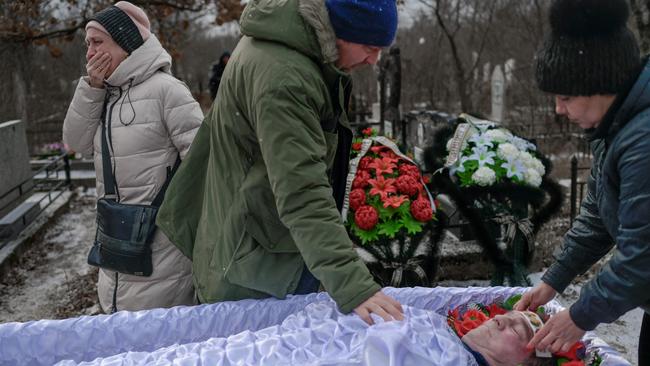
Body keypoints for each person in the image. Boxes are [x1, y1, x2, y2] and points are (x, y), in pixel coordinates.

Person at [156, 0, 403, 324]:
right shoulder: (285, 77)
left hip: (260, 245)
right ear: (339, 31)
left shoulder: (289, 45)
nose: (374, 60)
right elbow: (301, 192)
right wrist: (354, 286)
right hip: (252, 270)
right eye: (370, 47)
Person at [514, 0, 650, 364]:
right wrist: (554, 278)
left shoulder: (644, 139)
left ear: (599, 85)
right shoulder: (615, 125)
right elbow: (598, 214)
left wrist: (579, 316)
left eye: (565, 97)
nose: (559, 110)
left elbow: (644, 254)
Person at [63, 1, 203, 312]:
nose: (89, 53)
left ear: (126, 42)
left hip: (162, 257)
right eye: (88, 44)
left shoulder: (169, 92)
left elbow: (205, 167)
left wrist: (176, 221)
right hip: (114, 252)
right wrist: (91, 89)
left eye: (98, 42)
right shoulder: (102, 93)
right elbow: (75, 143)